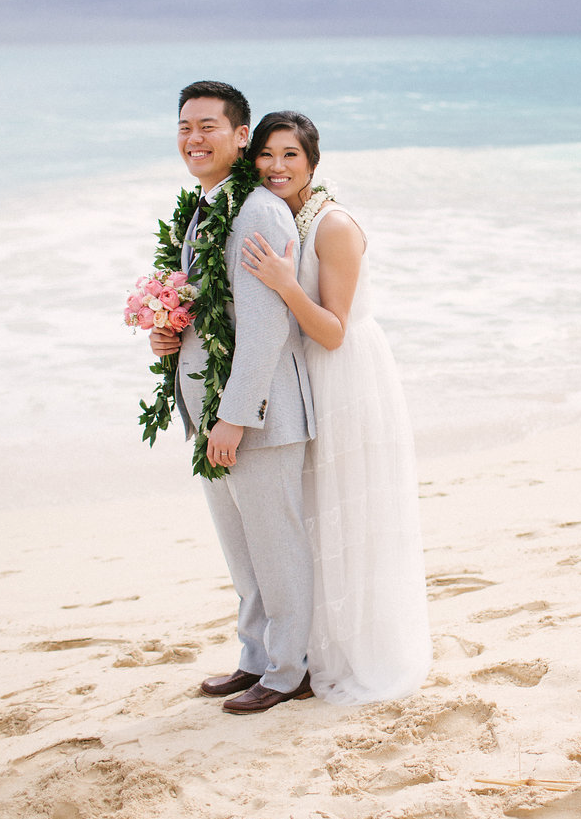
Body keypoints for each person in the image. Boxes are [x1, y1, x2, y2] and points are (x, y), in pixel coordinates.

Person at [240, 111, 431, 704]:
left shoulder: (333, 226)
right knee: (313, 518)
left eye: (290, 155)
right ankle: (303, 648)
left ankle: (356, 650)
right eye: (266, 155)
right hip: (309, 375)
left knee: (349, 512)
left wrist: (283, 282)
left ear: (313, 163)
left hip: (344, 374)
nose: (276, 167)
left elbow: (333, 331)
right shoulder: (283, 215)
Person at [149, 82, 319, 715]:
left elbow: (268, 325)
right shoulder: (201, 207)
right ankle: (255, 659)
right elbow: (208, 311)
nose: (195, 138)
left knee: (276, 543)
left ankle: (290, 668)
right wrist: (169, 334)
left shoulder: (256, 210)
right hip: (211, 411)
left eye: (209, 127)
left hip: (256, 415)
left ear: (240, 137)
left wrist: (234, 418)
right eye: (185, 126)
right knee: (241, 547)